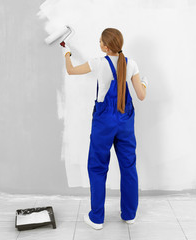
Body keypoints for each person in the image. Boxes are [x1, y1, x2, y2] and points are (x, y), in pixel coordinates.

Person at [63, 28, 147, 230]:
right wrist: (145, 83)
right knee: (128, 166)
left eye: (100, 40)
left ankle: (97, 218)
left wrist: (66, 54)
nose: (98, 42)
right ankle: (129, 215)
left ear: (105, 46)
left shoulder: (98, 63)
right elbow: (141, 95)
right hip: (125, 120)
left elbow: (71, 70)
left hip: (104, 122)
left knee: (98, 167)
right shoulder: (131, 63)